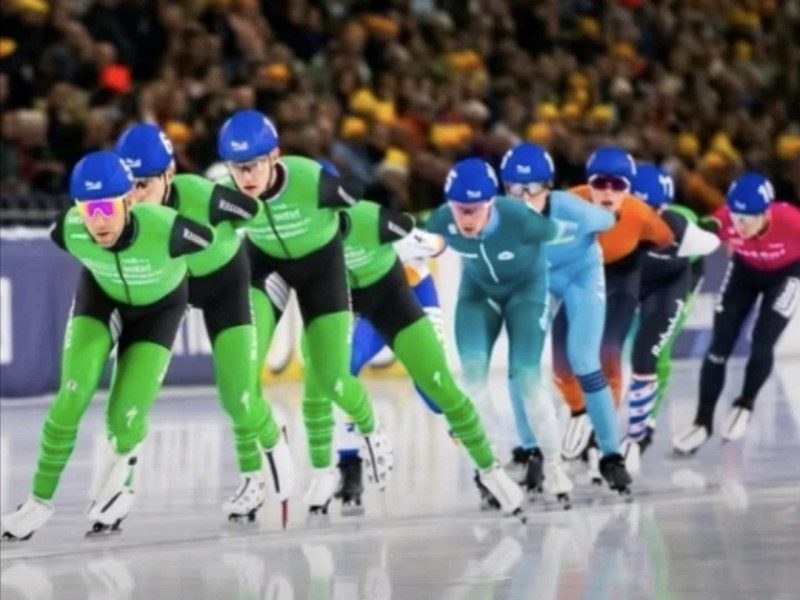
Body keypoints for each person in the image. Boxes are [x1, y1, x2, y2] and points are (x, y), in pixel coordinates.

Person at [1, 151, 214, 541]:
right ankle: (36, 503)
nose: (97, 220)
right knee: (71, 396)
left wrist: (202, 290)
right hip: (101, 303)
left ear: (129, 200)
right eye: (88, 208)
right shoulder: (68, 230)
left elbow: (210, 242)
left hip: (158, 314)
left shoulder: (168, 228)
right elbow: (69, 231)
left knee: (126, 418)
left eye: (106, 207)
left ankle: (120, 486)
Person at [114, 123, 294, 524]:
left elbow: (255, 209)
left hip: (224, 291)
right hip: (169, 296)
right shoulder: (121, 212)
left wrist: (243, 201)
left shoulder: (201, 195)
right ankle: (119, 486)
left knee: (238, 397)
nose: (136, 196)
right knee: (130, 396)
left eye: (144, 184)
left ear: (170, 174)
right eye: (129, 186)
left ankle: (263, 458)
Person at [216, 109, 392, 514]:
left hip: (321, 271)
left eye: (252, 166)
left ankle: (369, 429)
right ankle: (251, 479)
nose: (244, 177)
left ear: (274, 156)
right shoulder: (228, 192)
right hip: (266, 268)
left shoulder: (309, 179)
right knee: (240, 372)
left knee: (331, 378)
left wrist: (351, 202)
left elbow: (358, 197)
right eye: (235, 168)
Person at [425, 157, 574, 509]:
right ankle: (492, 465)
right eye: (459, 209)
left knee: (526, 378)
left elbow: (567, 231)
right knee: (473, 382)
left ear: (491, 203)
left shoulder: (521, 218)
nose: (466, 219)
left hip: (527, 294)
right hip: (477, 298)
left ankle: (553, 463)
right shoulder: (440, 222)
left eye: (474, 210)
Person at [499, 142, 632, 495]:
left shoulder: (575, 210)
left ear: (549, 187)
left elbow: (608, 218)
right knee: (521, 364)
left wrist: (614, 215)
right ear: (504, 189)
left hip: (581, 275)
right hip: (537, 280)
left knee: (585, 361)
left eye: (534, 190)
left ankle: (610, 455)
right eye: (516, 189)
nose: (525, 198)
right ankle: (532, 452)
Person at [553, 147, 674, 475]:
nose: (607, 191)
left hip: (621, 279)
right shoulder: (565, 203)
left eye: (617, 185)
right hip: (579, 279)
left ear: (629, 189)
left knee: (608, 354)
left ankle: (599, 435)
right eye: (600, 183)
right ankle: (579, 412)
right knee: (562, 368)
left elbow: (672, 244)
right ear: (588, 184)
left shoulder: (642, 214)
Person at [673, 173, 800, 453]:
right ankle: (702, 421)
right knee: (719, 346)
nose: (740, 225)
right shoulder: (725, 220)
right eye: (736, 216)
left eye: (748, 218)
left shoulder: (792, 222)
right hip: (744, 273)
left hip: (788, 275)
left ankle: (746, 402)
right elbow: (694, 240)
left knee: (762, 341)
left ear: (766, 212)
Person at [619, 164, 719, 474]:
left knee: (654, 353)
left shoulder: (681, 223)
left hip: (678, 281)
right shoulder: (616, 218)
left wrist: (713, 227)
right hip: (638, 279)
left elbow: (711, 232)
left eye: (656, 210)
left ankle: (646, 425)